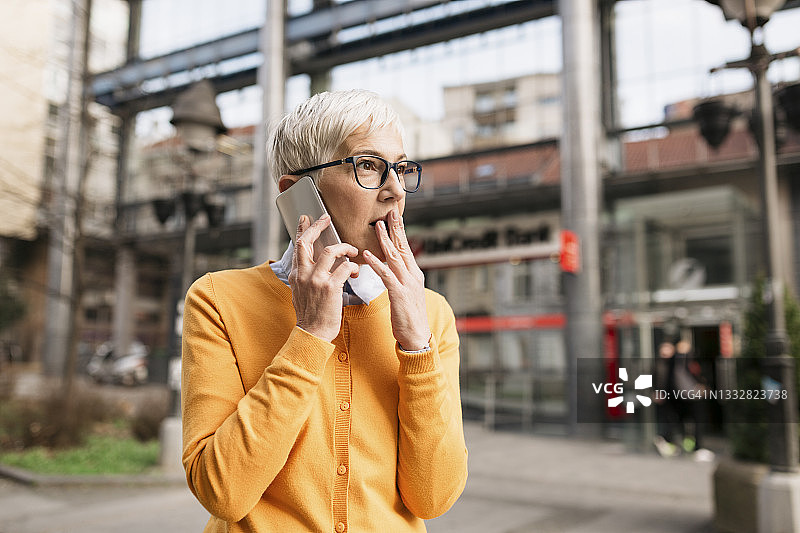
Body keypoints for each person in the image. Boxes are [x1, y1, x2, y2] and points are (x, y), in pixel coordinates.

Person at [181, 89, 468, 532]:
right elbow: (223, 492)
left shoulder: (432, 313)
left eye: (401, 169)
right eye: (368, 166)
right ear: (297, 193)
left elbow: (433, 497)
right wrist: (311, 334)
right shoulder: (219, 299)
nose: (395, 190)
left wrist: (417, 347)